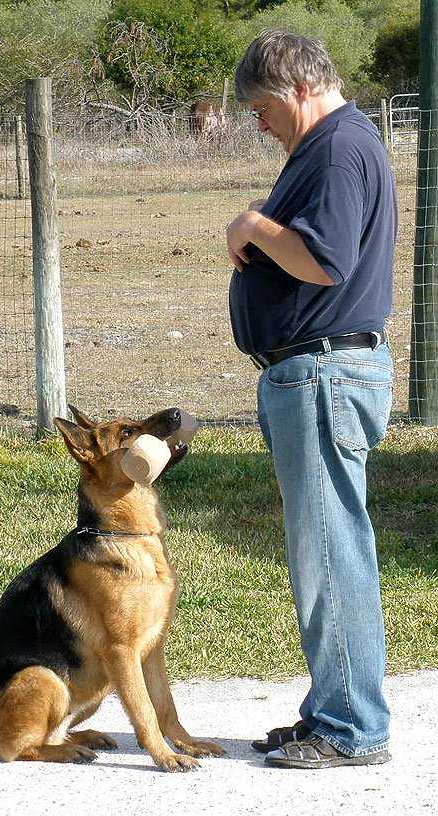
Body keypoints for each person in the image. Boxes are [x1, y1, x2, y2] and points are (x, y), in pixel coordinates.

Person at [226, 29, 396, 769]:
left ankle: (352, 727)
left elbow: (324, 261)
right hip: (317, 373)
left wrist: (255, 227)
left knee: (331, 551)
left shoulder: (334, 149)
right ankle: (333, 708)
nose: (258, 123)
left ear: (297, 88)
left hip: (324, 374)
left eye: (261, 107)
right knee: (323, 550)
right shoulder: (337, 147)